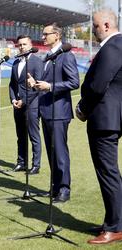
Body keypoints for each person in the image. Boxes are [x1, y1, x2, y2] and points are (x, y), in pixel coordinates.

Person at [76, 9, 122, 245]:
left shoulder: (113, 45)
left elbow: (98, 86)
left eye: (94, 26)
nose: (93, 31)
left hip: (105, 119)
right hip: (112, 117)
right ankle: (114, 221)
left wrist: (82, 108)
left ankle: (114, 227)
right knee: (111, 173)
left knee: (108, 173)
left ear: (106, 25)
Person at [28, 23, 79, 203]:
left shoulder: (67, 56)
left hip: (59, 112)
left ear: (57, 35)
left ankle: (64, 189)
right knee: (51, 152)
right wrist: (36, 84)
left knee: (60, 152)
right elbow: (46, 83)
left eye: (46, 34)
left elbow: (74, 82)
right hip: (47, 111)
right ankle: (55, 187)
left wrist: (50, 86)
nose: (43, 37)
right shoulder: (48, 57)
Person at [9, 35, 43, 173]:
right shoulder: (16, 62)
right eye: (20, 45)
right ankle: (21, 162)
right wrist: (13, 100)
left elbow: (38, 85)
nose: (22, 47)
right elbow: (12, 84)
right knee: (20, 136)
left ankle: (36, 165)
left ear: (30, 45)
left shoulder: (37, 62)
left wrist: (24, 100)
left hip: (32, 105)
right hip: (17, 106)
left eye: (24, 44)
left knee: (34, 136)